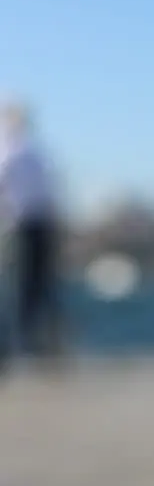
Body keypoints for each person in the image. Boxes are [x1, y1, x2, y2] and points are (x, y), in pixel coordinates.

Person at [0, 101, 62, 361]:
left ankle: (24, 345)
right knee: (39, 286)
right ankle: (37, 344)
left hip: (22, 225)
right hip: (40, 224)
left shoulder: (11, 152)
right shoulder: (36, 153)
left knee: (23, 286)